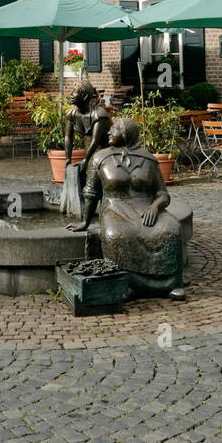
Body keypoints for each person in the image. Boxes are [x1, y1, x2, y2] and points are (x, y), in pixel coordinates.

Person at [69, 115, 187, 300]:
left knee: (172, 229)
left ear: (127, 133)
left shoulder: (149, 159)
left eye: (114, 129)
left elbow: (163, 194)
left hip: (146, 207)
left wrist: (155, 207)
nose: (109, 131)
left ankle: (170, 283)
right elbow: (90, 193)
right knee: (116, 235)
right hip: (115, 208)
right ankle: (125, 283)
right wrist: (85, 222)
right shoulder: (99, 158)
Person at [59, 80, 110, 217]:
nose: (70, 94)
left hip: (105, 154)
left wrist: (85, 160)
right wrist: (68, 158)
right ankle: (86, 211)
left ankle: (92, 217)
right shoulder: (72, 113)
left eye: (74, 92)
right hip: (90, 153)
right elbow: (68, 138)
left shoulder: (99, 115)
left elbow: (96, 141)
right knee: (78, 175)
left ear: (85, 97)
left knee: (92, 185)